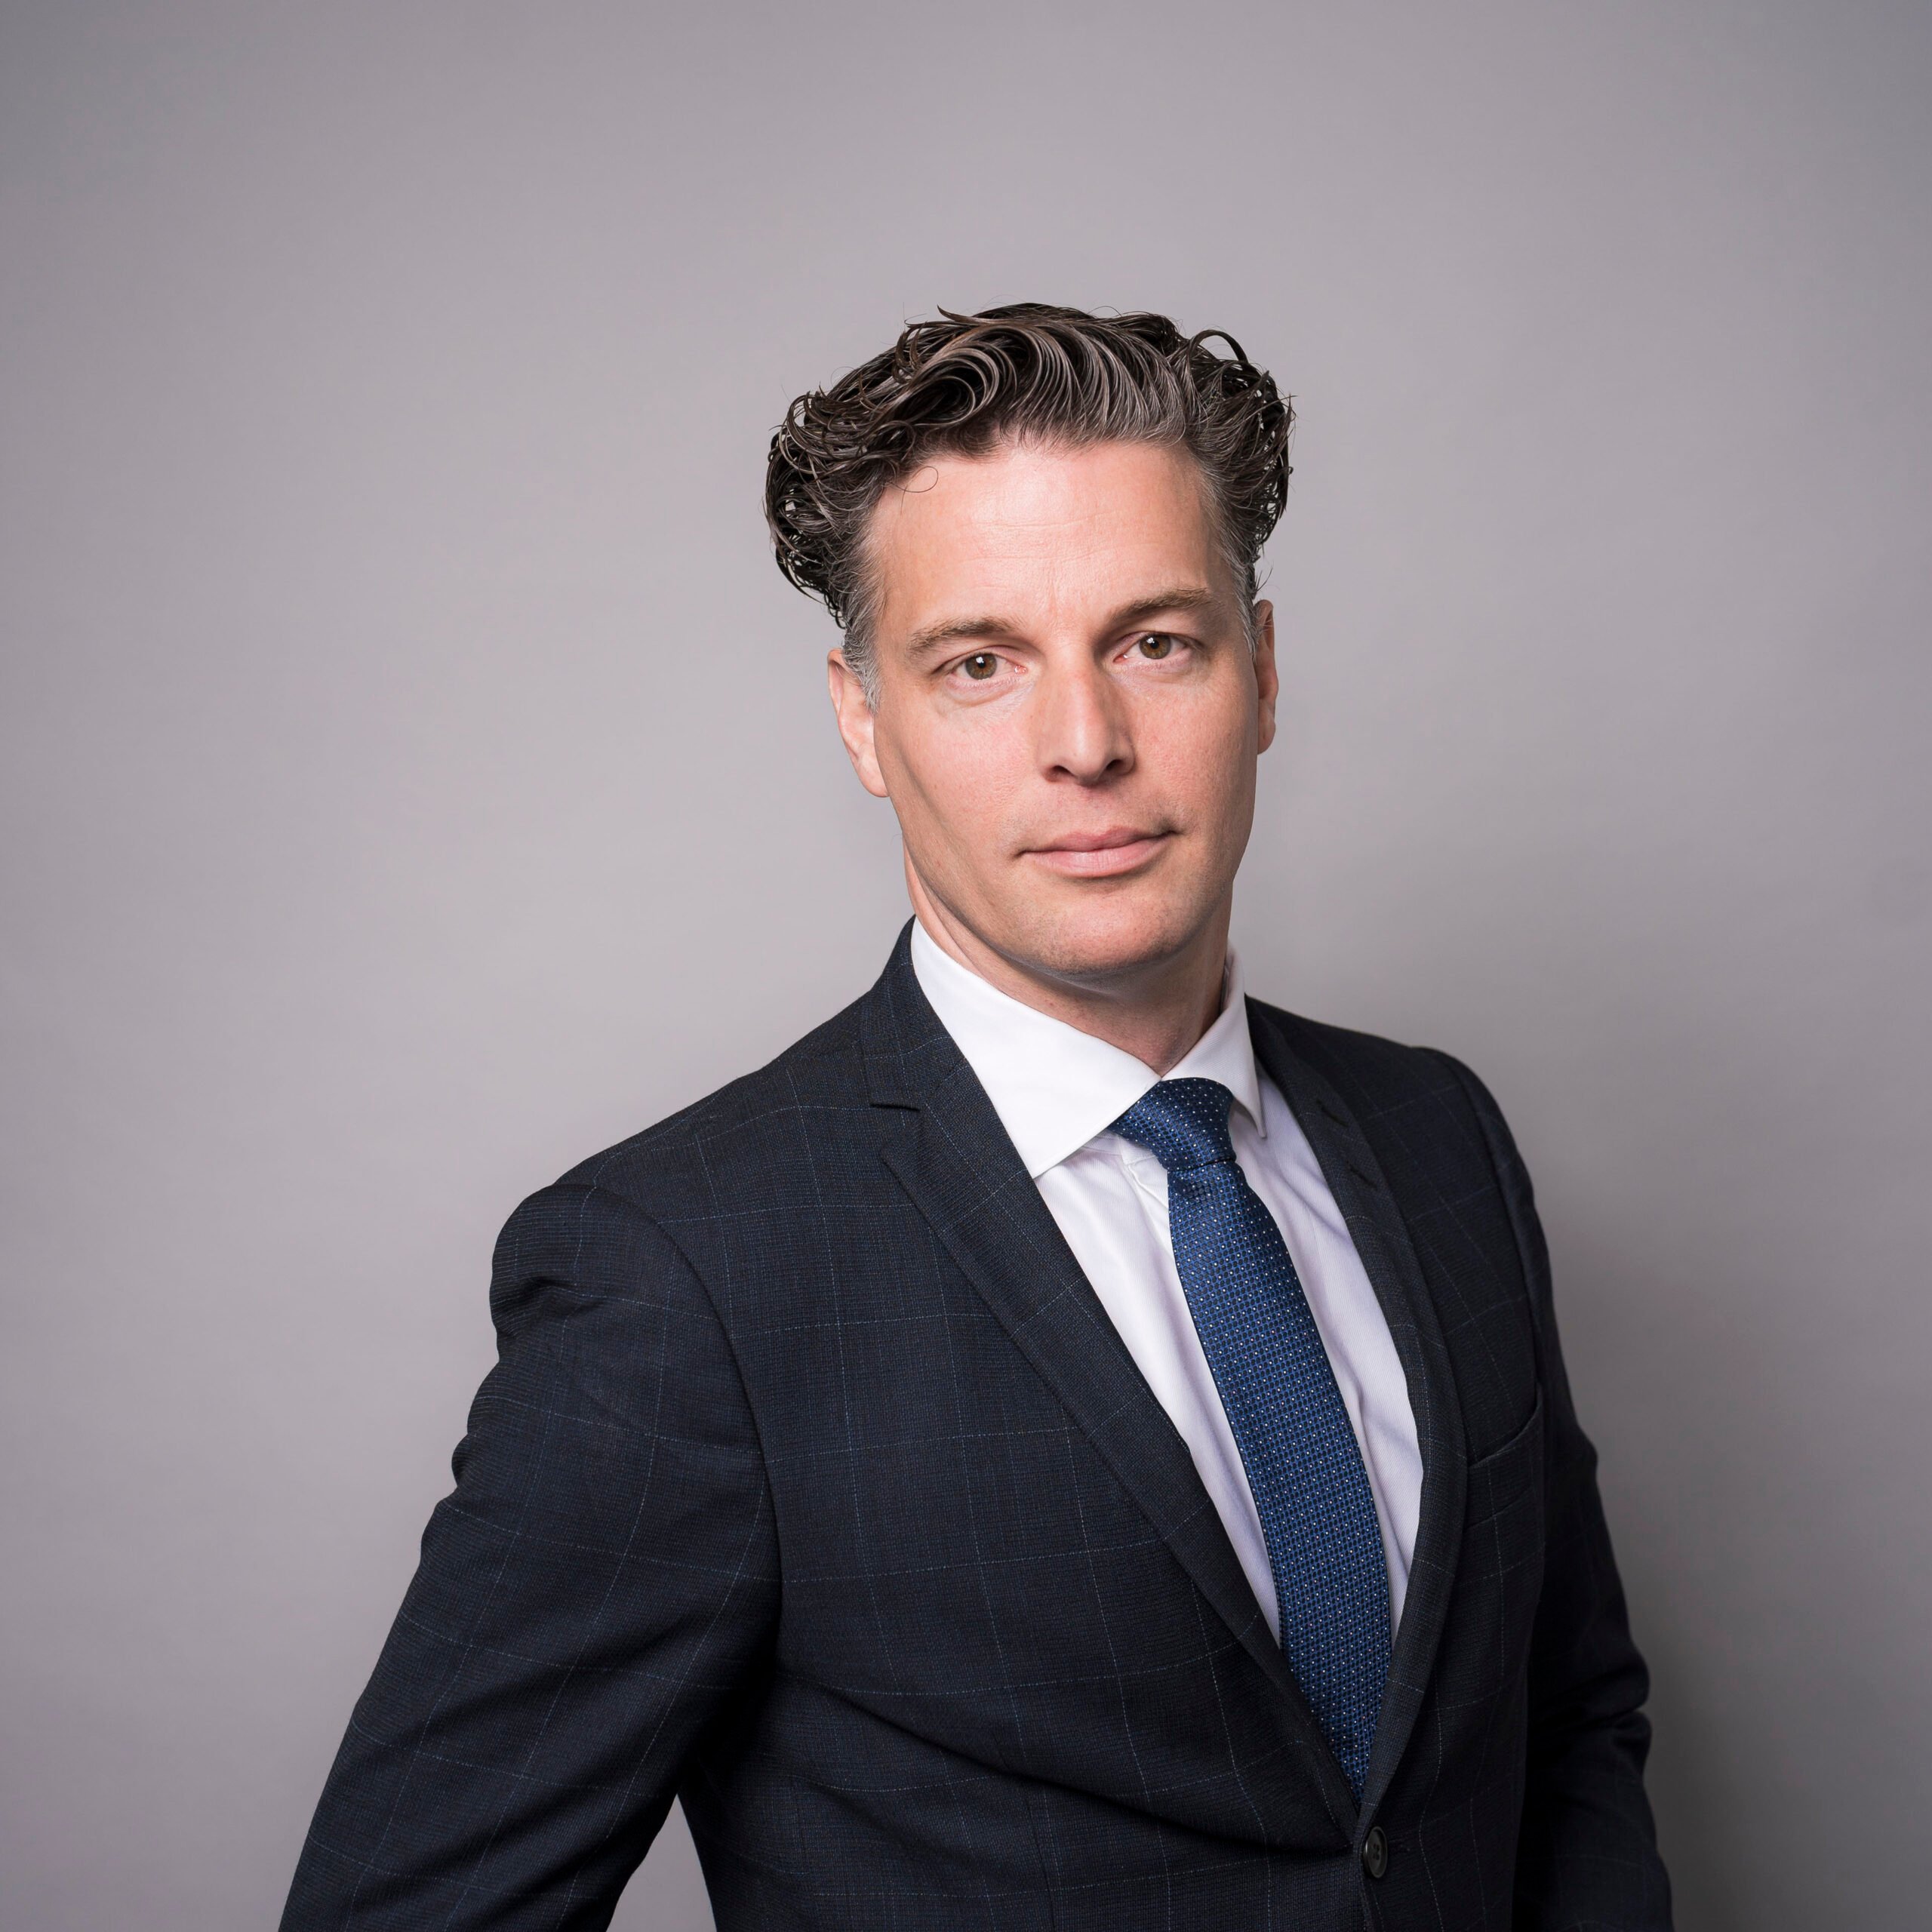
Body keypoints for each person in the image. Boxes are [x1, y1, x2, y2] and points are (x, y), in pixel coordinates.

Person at [281, 305, 1672, 1930]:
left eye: (1154, 642)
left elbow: (1566, 1722)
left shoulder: (1439, 1139)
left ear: (1262, 672)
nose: (1085, 745)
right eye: (978, 665)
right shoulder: (685, 1280)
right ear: (863, 719)